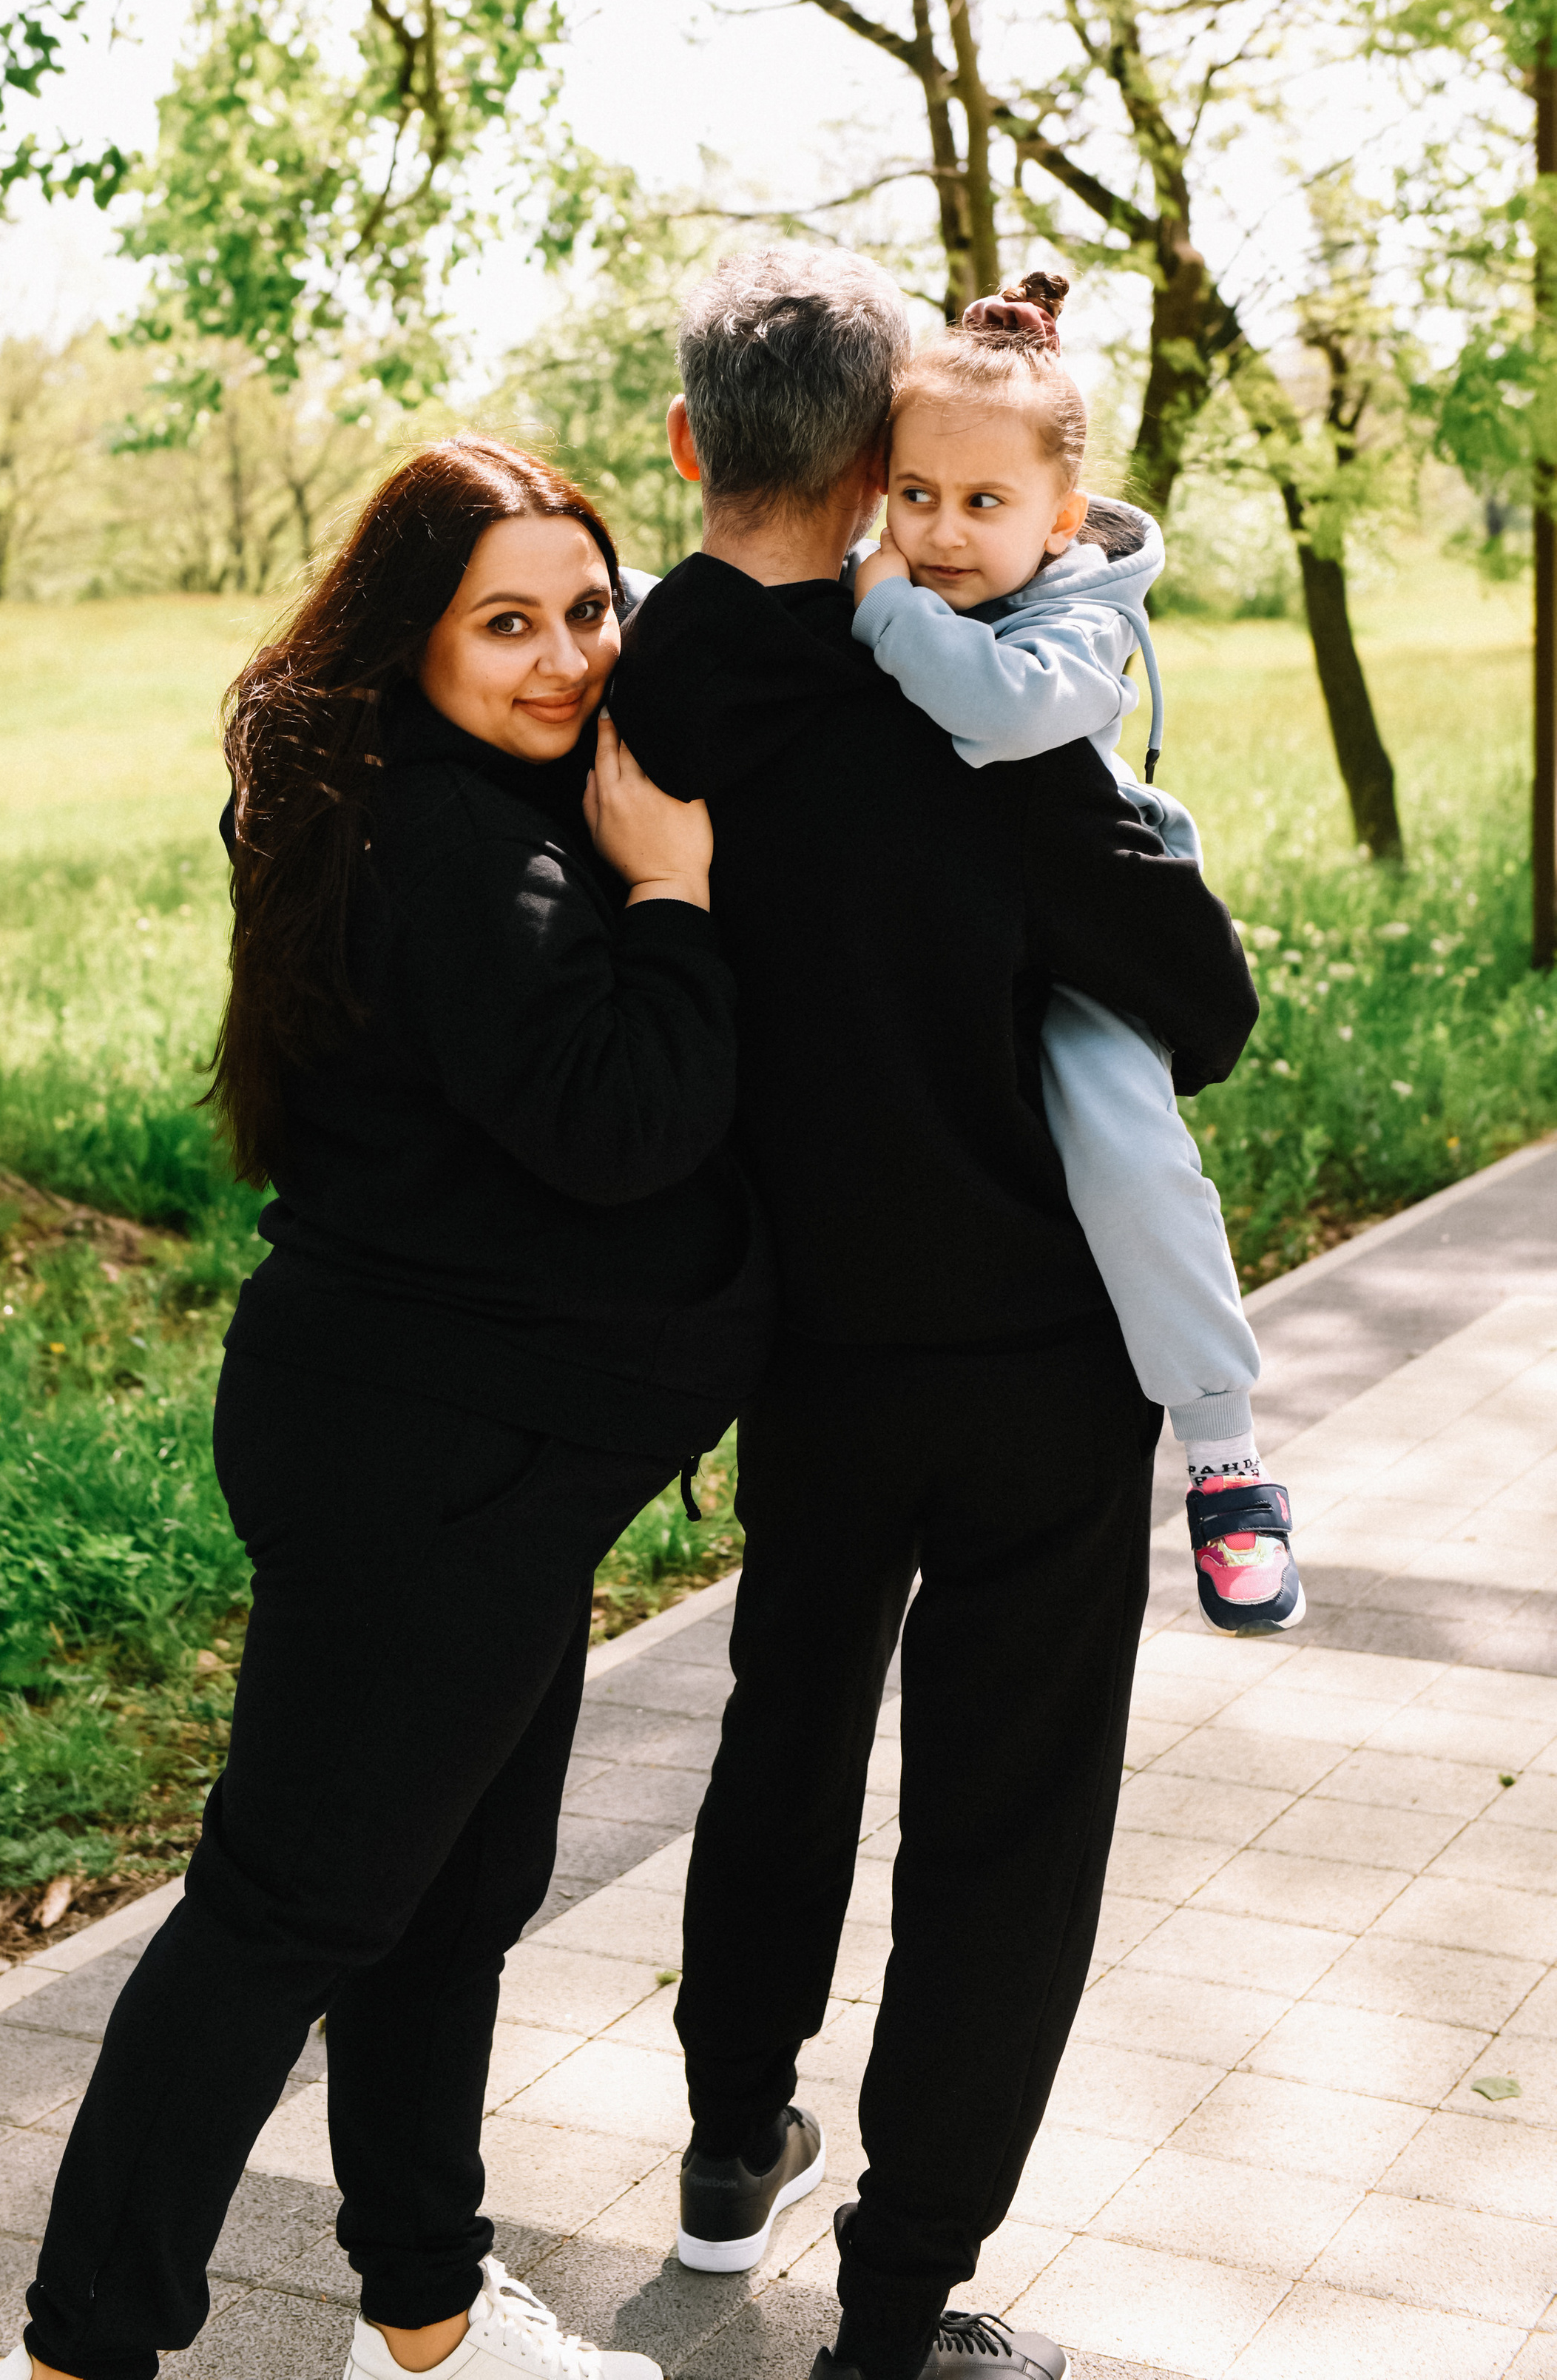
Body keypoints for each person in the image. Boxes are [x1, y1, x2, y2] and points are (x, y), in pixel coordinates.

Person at [0, 439, 772, 2380]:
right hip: (423, 1465)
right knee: (290, 1912)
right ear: (407, 642)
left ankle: (426, 2320)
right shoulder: (465, 845)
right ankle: (84, 2349)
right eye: (503, 623)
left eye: (589, 609)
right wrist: (677, 904)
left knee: (446, 1900)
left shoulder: (426, 803)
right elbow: (617, 1122)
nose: (564, 657)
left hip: (467, 1460)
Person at [611, 248, 1260, 2380]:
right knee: (1003, 1817)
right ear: (896, 465)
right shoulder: (979, 721)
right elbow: (1207, 1007)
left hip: (792, 1355)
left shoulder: (635, 706)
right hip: (1029, 1376)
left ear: (696, 447)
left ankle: (727, 2148)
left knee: (780, 1734)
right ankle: (895, 2316)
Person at [851, 269, 1301, 1636]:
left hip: (1089, 948)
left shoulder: (1081, 613)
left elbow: (999, 716)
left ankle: (1224, 1458)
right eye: (914, 497)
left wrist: (878, 607)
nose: (937, 534)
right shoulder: (893, 573)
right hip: (952, 956)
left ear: (1058, 519)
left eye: (983, 505)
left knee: (1123, 1138)